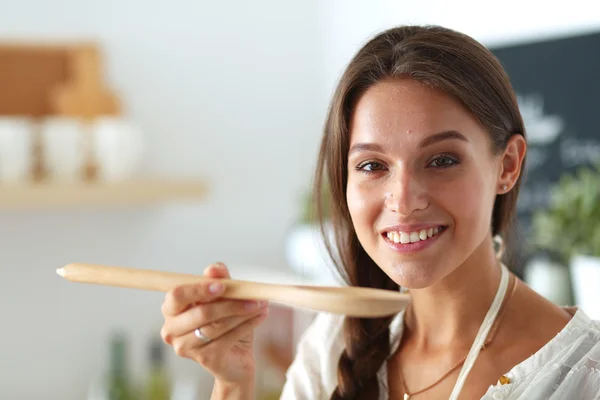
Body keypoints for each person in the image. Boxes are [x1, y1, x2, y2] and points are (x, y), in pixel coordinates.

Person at [159, 25, 600, 399]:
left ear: (507, 165)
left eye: (442, 160)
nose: (404, 201)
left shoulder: (582, 376)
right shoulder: (331, 349)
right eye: (372, 166)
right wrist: (233, 384)